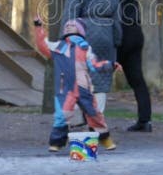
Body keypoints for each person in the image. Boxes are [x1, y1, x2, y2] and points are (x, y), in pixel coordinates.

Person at [35, 18, 120, 151]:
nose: (68, 27)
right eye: (67, 25)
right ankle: (56, 143)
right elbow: (42, 45)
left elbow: (94, 65)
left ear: (80, 30)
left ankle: (105, 139)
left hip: (83, 87)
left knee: (94, 113)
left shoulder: (85, 48)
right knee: (62, 115)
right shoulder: (58, 46)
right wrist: (38, 27)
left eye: (73, 26)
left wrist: (109, 65)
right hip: (65, 89)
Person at [63, 0, 122, 113]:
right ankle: (98, 119)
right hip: (106, 37)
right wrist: (116, 40)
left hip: (84, 35)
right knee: (102, 78)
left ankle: (78, 119)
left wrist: (66, 38)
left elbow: (70, 13)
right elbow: (117, 21)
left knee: (80, 75)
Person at [107, 0, 152, 132]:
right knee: (136, 79)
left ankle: (90, 121)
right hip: (134, 33)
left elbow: (113, 9)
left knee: (97, 75)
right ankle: (145, 120)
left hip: (123, 35)